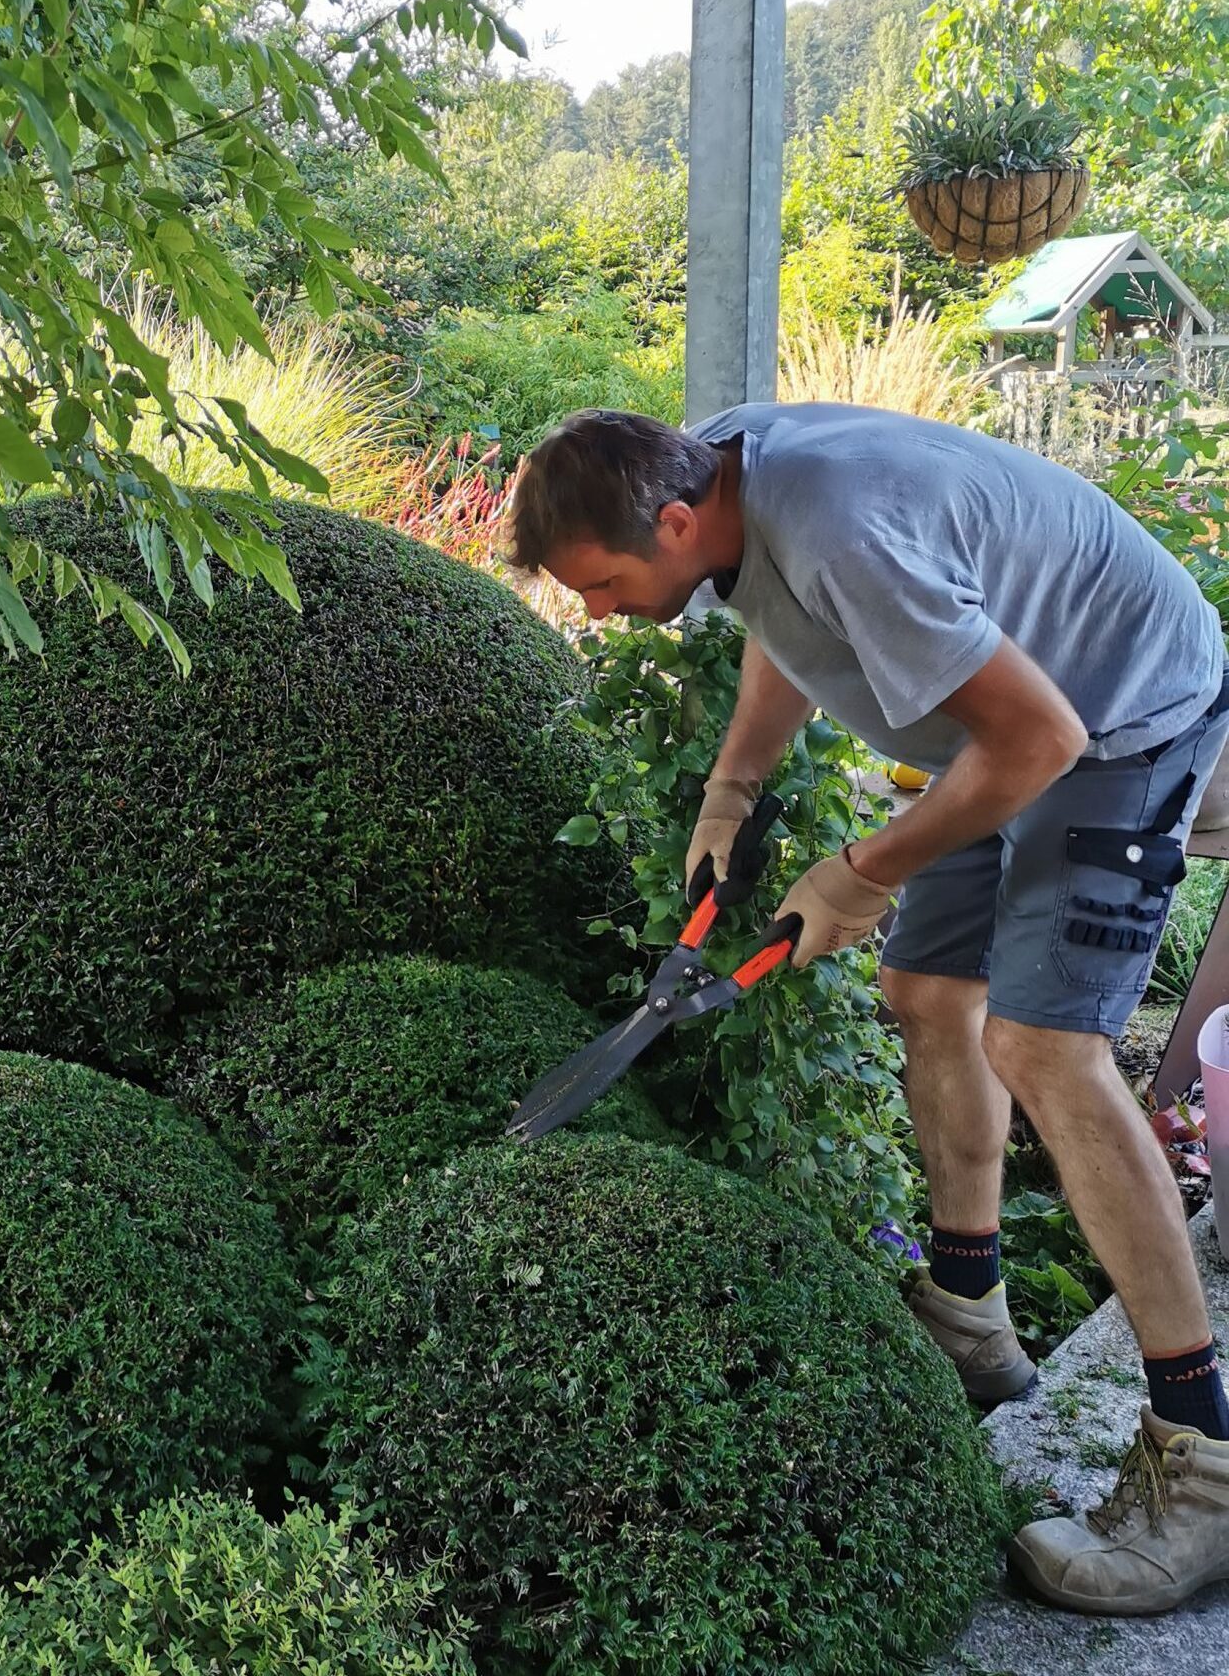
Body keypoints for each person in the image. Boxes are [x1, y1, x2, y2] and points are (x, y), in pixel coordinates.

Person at [509, 401, 1229, 1618]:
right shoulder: (720, 466)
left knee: (1043, 1046)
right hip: (992, 718)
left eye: (603, 584)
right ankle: (967, 1312)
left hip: (1109, 721)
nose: (596, 609)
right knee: (924, 991)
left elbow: (1039, 733)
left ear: (673, 521)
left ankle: (1202, 1463)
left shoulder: (835, 519)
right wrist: (731, 789)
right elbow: (786, 622)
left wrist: (860, 870)